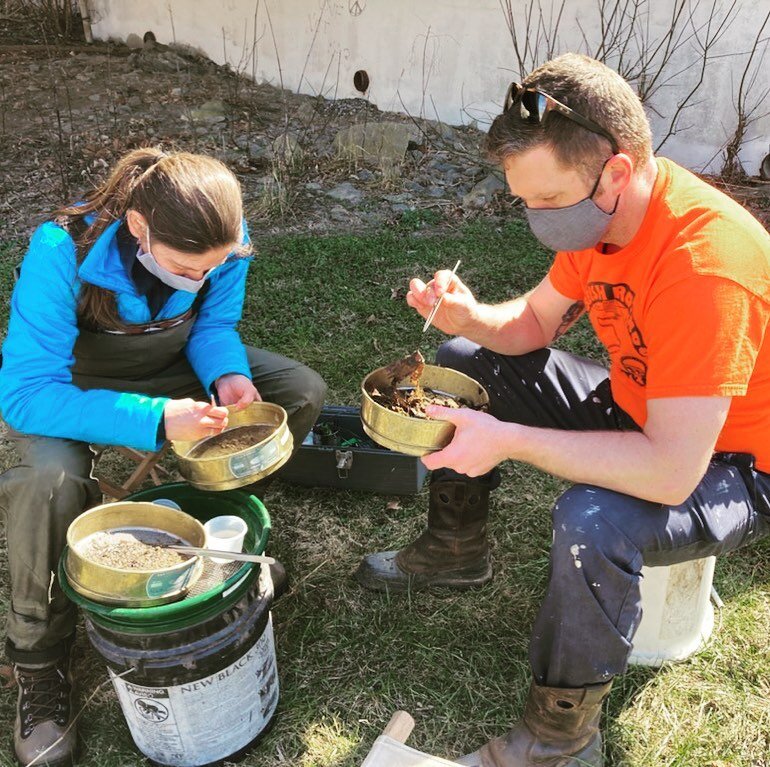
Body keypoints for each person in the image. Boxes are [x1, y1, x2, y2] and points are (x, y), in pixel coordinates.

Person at [355, 53, 770, 767]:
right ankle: (456, 551)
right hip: (644, 408)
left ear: (615, 172)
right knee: (457, 358)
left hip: (732, 464)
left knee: (591, 519)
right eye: (525, 200)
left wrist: (507, 439)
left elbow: (672, 471)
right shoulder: (601, 223)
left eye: (546, 201)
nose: (534, 217)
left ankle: (558, 739)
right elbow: (532, 327)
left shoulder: (706, 264)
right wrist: (471, 316)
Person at [0, 148, 326, 766]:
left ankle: (218, 554)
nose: (198, 280)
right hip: (74, 387)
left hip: (169, 367)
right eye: (184, 268)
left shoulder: (225, 241)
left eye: (212, 268)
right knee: (48, 479)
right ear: (138, 228)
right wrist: (155, 420)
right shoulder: (59, 251)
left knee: (298, 394)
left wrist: (227, 373)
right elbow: (24, 395)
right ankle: (39, 658)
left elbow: (212, 325)